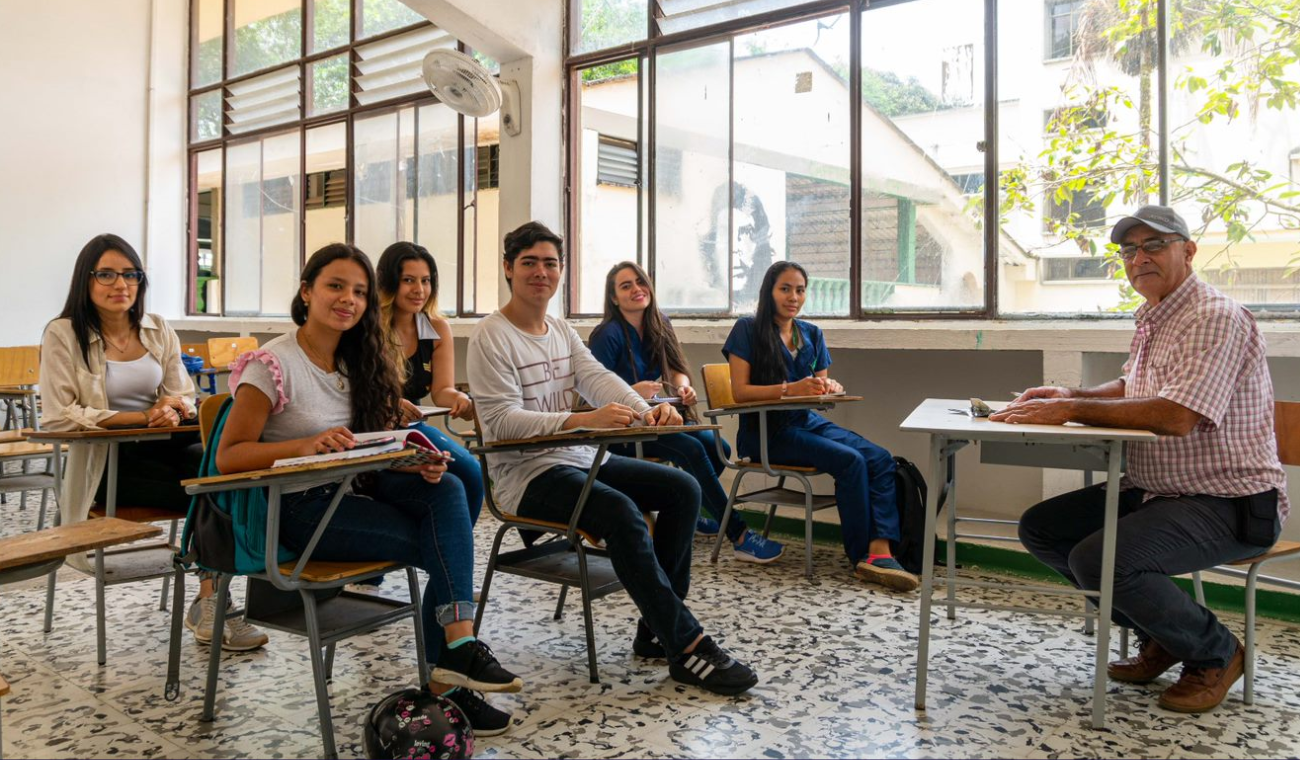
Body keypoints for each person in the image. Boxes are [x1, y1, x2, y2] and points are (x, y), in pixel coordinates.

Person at [991, 205, 1288, 713]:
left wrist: (1070, 408)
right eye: (1129, 249)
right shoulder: (1158, 314)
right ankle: (1165, 635)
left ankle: (1215, 652)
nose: (1139, 257)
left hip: (1229, 500)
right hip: (1158, 491)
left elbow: (1176, 415)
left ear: (1188, 251)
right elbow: (1134, 387)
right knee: (1044, 528)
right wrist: (1069, 392)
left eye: (1154, 245)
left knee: (1100, 559)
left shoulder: (1213, 317)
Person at [216, 243, 520, 735]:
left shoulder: (357, 360)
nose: (348, 300)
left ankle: (457, 653)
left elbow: (363, 445)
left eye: (358, 291)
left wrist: (411, 463)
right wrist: (305, 446)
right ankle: (452, 682)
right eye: (335, 286)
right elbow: (231, 456)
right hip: (302, 510)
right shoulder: (271, 364)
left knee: (447, 493)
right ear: (307, 291)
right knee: (445, 542)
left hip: (354, 493)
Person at [467, 222, 758, 696]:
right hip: (527, 474)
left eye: (550, 263)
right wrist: (580, 422)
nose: (541, 272)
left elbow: (599, 378)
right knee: (622, 512)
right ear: (508, 268)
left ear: (560, 271)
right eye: (529, 263)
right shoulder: (490, 337)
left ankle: (655, 630)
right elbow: (499, 422)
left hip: (580, 458)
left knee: (682, 488)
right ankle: (686, 644)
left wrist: (650, 411)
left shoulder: (560, 330)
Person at [39, 233, 269, 651]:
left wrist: (172, 405)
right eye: (106, 274)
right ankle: (213, 599)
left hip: (164, 446)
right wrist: (139, 417)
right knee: (210, 487)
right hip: (106, 462)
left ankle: (210, 598)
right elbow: (58, 413)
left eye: (130, 274)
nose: (120, 284)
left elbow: (184, 392)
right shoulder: (63, 333)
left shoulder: (157, 328)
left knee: (219, 470)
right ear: (85, 281)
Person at [722, 261, 918, 592]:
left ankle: (880, 551)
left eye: (800, 290)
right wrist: (790, 389)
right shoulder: (747, 329)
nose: (793, 297)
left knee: (880, 458)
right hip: (766, 434)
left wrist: (827, 388)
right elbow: (740, 392)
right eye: (785, 288)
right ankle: (860, 557)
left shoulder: (811, 333)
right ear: (769, 292)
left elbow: (817, 385)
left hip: (806, 422)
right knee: (850, 461)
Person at [588, 261, 783, 563]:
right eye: (626, 286)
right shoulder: (607, 335)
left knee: (719, 446)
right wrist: (631, 392)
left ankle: (688, 515)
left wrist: (682, 388)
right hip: (626, 428)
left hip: (662, 420)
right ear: (614, 298)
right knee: (692, 449)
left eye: (640, 282)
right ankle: (740, 535)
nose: (637, 289)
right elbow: (592, 392)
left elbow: (678, 369)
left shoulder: (659, 323)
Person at [375, 242, 484, 521]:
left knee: (471, 473)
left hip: (413, 426)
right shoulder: (369, 327)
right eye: (408, 280)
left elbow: (441, 392)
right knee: (456, 479)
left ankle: (457, 541)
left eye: (425, 281)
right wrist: (389, 402)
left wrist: (460, 400)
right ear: (388, 283)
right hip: (371, 427)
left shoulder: (435, 328)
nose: (419, 290)